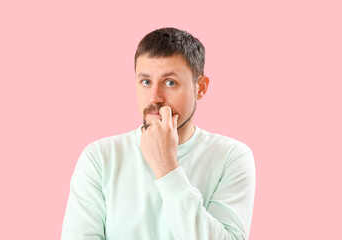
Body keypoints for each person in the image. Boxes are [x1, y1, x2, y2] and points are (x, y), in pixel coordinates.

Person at [61, 27, 256, 240]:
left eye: (170, 83)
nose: (155, 97)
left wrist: (167, 167)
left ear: (200, 87)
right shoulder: (99, 157)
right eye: (146, 82)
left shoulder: (231, 157)